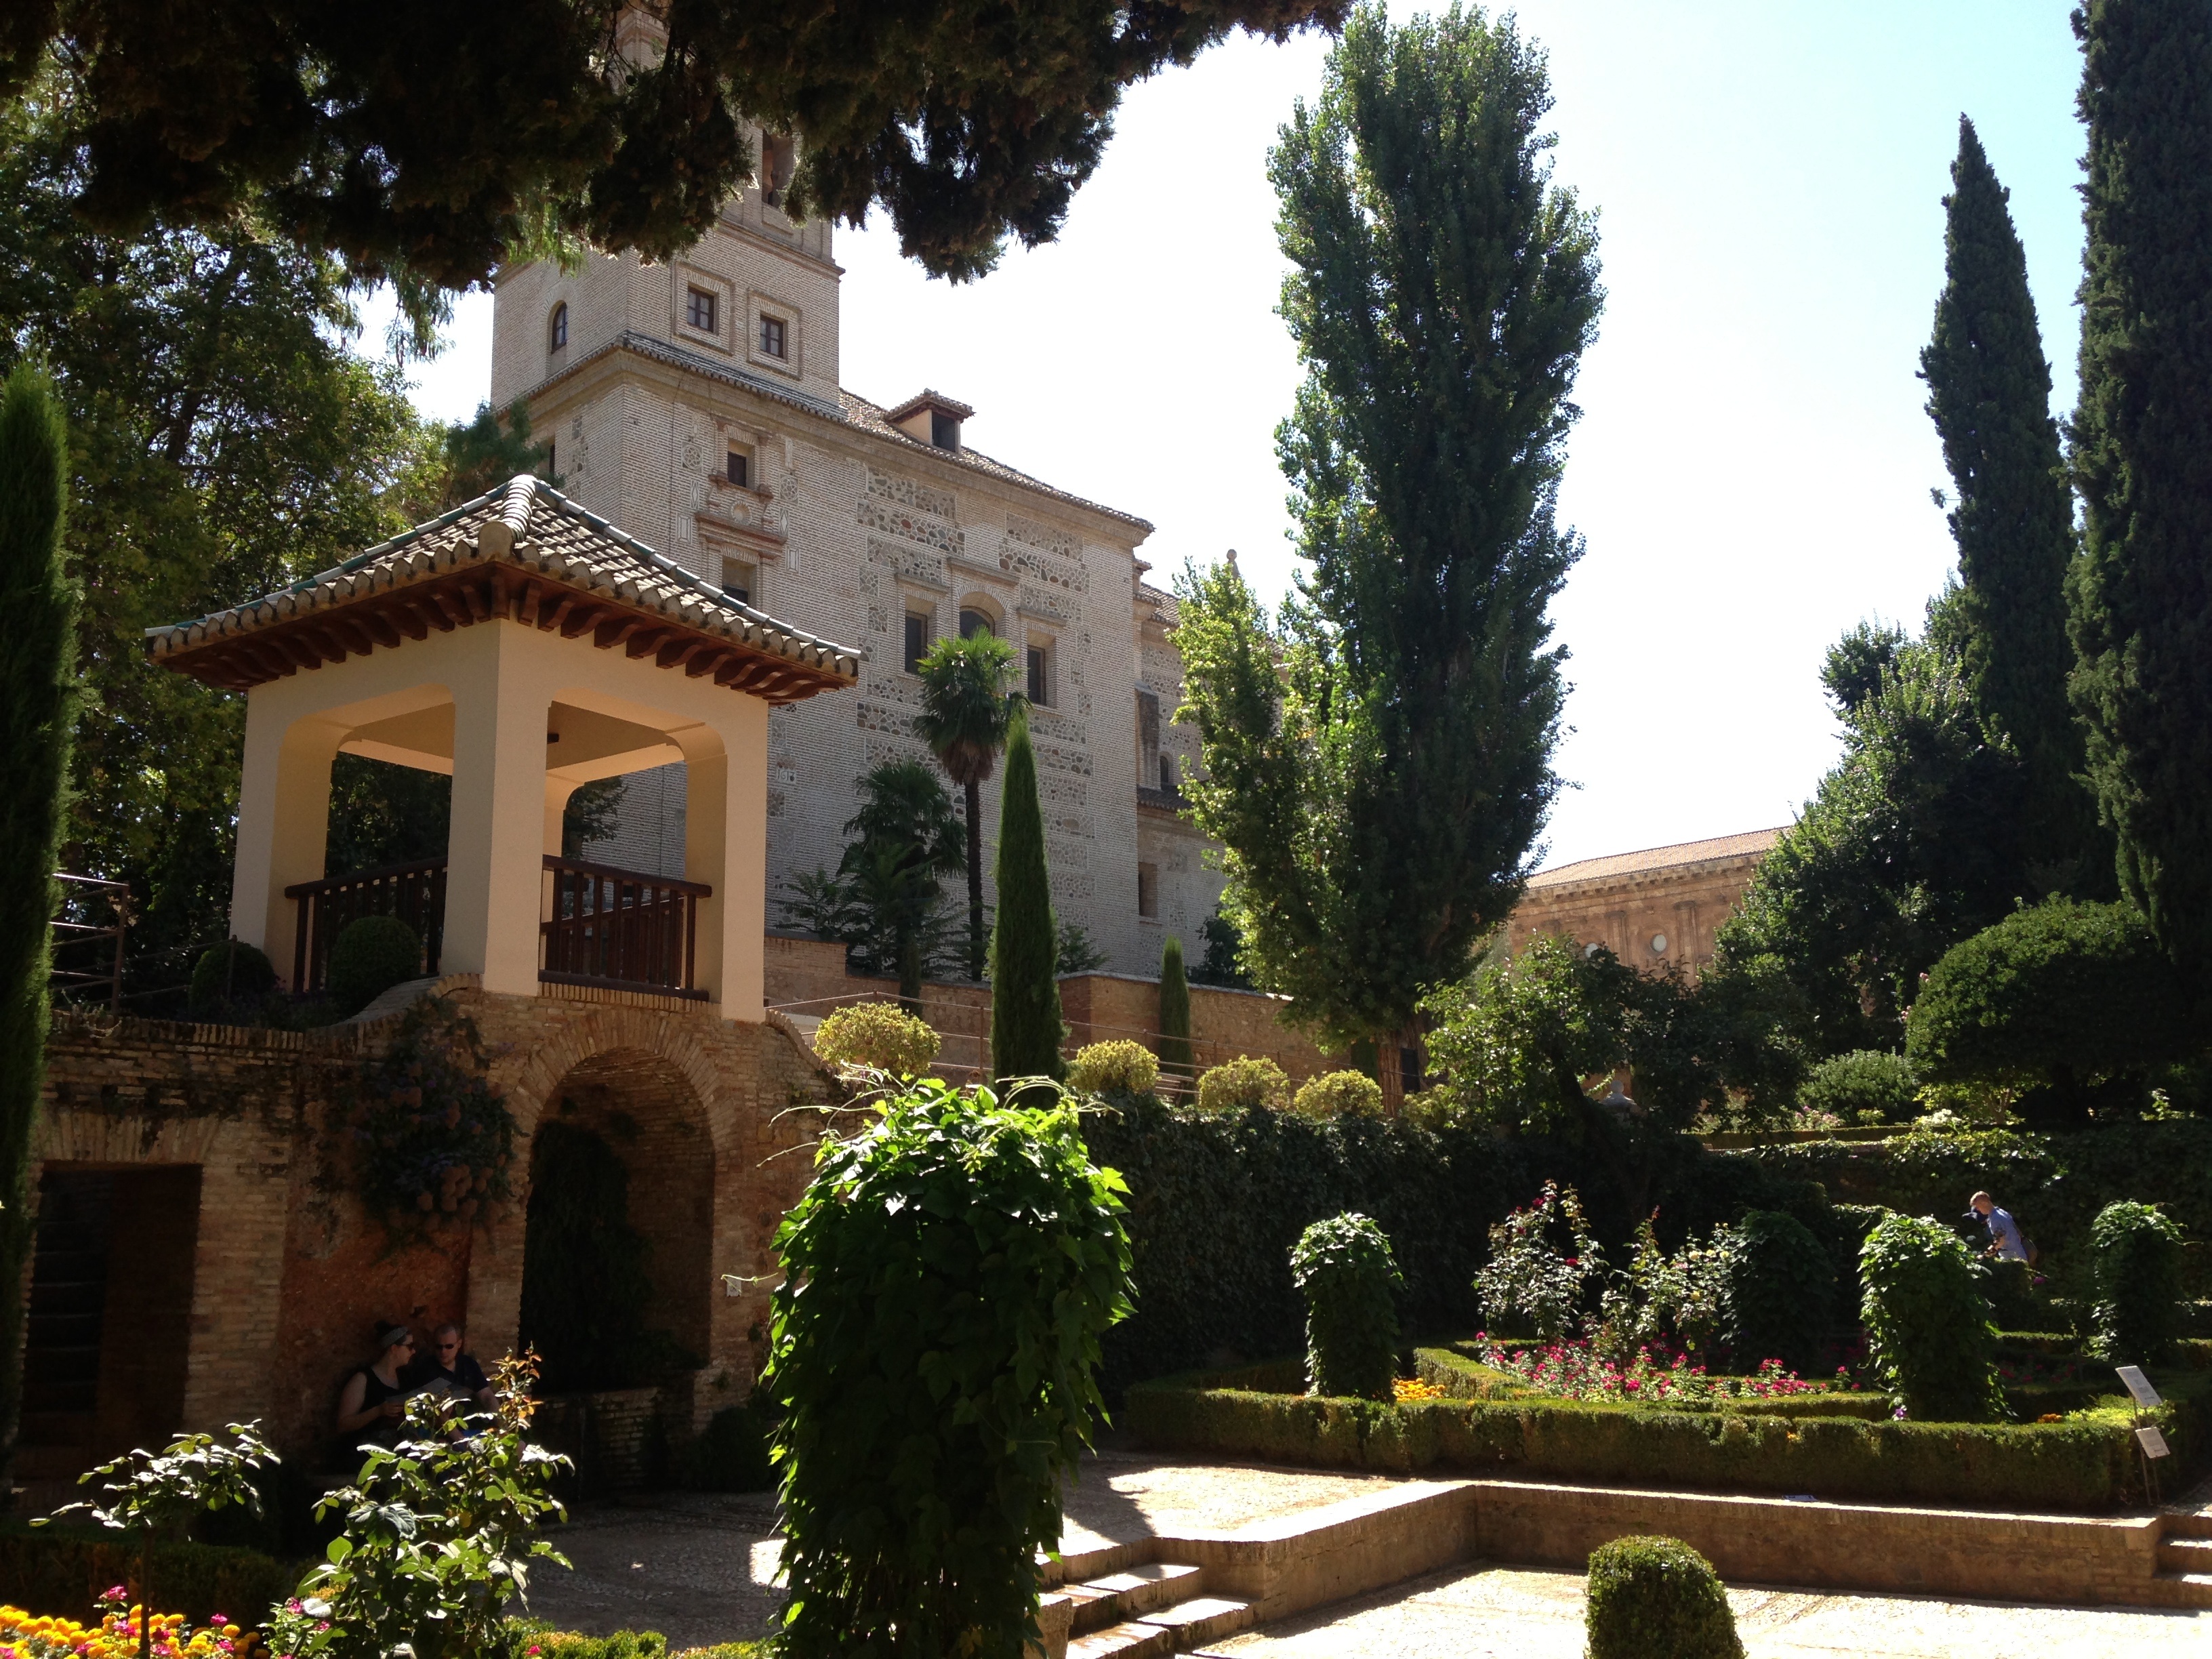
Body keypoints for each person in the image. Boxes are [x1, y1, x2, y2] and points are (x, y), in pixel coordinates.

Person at [335, 1320, 417, 1444]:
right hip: (366, 1448)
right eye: (410, 1346)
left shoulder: (405, 1378)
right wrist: (378, 1411)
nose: (413, 1351)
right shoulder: (363, 1379)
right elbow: (343, 1425)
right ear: (394, 1348)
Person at [403, 1322, 495, 1405]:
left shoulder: (469, 1364)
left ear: (459, 1344)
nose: (443, 1351)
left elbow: (486, 1396)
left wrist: (497, 1416)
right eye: (439, 1347)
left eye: (449, 1346)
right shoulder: (424, 1369)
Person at [1966, 1192, 2032, 1263]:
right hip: (2020, 1254)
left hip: (2011, 1259)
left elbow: (2000, 1240)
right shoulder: (2002, 1212)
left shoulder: (1994, 1219)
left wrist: (1985, 1254)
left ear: (1984, 1203)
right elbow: (2018, 1233)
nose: (1978, 1210)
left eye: (1977, 1207)